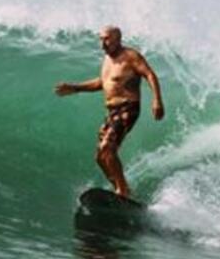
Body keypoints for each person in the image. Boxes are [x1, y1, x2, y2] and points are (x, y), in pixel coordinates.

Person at [55, 25, 164, 199]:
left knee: (108, 148)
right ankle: (121, 190)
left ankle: (122, 190)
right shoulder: (107, 59)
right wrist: (75, 88)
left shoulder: (131, 57)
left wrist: (157, 99)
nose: (102, 44)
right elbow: (102, 83)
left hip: (128, 107)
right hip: (112, 111)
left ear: (117, 39)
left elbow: (150, 74)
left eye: (106, 39)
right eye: (101, 39)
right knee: (100, 156)